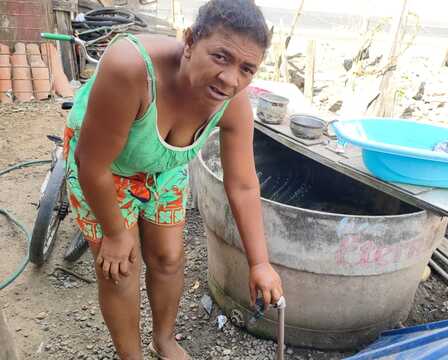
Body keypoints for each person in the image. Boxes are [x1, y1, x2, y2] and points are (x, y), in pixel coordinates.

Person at [62, 1, 283, 358]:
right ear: (190, 41)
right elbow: (91, 163)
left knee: (168, 257)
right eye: (221, 57)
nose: (230, 79)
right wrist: (116, 234)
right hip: (104, 168)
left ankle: (163, 340)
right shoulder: (131, 69)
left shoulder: (235, 101)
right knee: (121, 266)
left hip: (163, 167)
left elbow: (242, 183)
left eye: (247, 69)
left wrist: (260, 263)